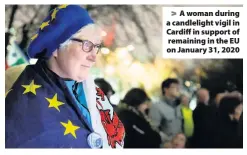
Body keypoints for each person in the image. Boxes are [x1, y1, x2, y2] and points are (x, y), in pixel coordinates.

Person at [5, 5, 125, 148]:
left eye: (96, 47)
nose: (93, 57)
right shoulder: (23, 100)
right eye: (86, 45)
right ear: (56, 47)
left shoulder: (93, 92)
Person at [149, 78, 182, 145]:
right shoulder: (157, 106)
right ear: (165, 89)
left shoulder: (179, 106)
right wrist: (167, 140)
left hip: (179, 145)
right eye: (174, 87)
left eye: (178, 87)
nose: (178, 89)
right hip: (166, 145)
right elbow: (154, 128)